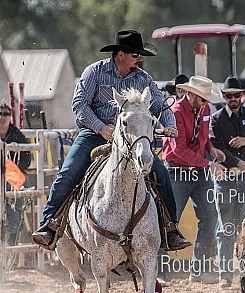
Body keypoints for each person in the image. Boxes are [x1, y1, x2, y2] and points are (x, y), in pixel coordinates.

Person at [31, 30, 191, 251]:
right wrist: (101, 127)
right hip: (94, 135)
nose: (139, 59)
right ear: (120, 55)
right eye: (135, 55)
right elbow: (80, 105)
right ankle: (49, 225)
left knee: (161, 173)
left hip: (130, 138)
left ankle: (170, 229)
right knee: (68, 173)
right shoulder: (94, 72)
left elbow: (160, 105)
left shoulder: (143, 79)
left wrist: (169, 124)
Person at [161, 76, 227, 284]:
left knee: (210, 216)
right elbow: (177, 149)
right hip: (177, 171)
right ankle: (158, 271)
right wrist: (208, 164)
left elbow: (203, 138)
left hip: (197, 170)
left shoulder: (204, 110)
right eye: (203, 99)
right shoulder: (175, 113)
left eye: (207, 99)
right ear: (191, 94)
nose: (207, 103)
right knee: (169, 219)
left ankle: (199, 269)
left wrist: (211, 149)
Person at [211, 76, 245, 288]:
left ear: (242, 95)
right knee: (226, 226)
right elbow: (216, 149)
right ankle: (225, 274)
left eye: (236, 95)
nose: (233, 99)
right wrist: (239, 161)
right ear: (224, 97)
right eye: (229, 96)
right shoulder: (216, 119)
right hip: (226, 178)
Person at [0, 102, 31, 246]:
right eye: (0, 114)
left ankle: (12, 237)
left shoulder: (17, 134)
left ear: (10, 116)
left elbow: (26, 157)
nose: (2, 117)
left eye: (5, 114)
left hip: (11, 176)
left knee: (19, 189)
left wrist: (14, 169)